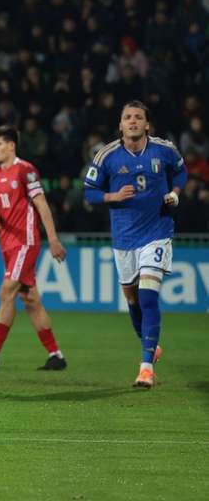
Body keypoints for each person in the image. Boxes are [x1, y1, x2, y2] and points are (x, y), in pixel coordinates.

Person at [83, 101, 186, 388]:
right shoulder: (107, 156)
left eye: (138, 117)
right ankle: (151, 346)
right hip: (124, 238)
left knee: (148, 297)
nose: (132, 121)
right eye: (127, 117)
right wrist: (111, 197)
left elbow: (181, 172)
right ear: (120, 124)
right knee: (131, 299)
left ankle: (145, 368)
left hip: (157, 231)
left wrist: (175, 193)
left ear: (147, 124)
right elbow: (89, 192)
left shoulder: (164, 149)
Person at [0, 126, 69, 371]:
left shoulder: (26, 170)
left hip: (26, 241)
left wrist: (53, 240)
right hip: (7, 244)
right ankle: (56, 355)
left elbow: (42, 206)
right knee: (30, 299)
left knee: (6, 291)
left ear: (11, 146)